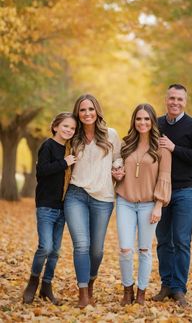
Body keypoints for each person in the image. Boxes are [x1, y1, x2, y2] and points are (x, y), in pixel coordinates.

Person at [153, 84, 192, 306]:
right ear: (166, 99)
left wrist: (175, 148)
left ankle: (179, 288)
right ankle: (166, 284)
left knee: (182, 241)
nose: (175, 102)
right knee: (163, 240)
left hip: (184, 190)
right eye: (172, 98)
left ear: (185, 101)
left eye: (180, 99)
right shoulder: (155, 123)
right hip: (159, 191)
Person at [64, 94, 121, 308]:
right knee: (81, 245)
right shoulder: (73, 137)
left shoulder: (111, 134)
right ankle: (82, 295)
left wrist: (117, 169)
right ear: (77, 114)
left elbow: (118, 157)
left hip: (103, 198)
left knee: (96, 250)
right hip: (76, 195)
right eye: (82, 110)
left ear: (97, 111)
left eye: (90, 109)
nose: (87, 113)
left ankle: (90, 284)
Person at [114, 104, 171, 306]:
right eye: (139, 119)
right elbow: (117, 169)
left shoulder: (162, 147)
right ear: (134, 121)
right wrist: (116, 174)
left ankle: (141, 292)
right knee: (125, 249)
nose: (143, 123)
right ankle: (127, 289)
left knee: (145, 250)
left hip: (149, 205)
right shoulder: (126, 144)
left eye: (147, 119)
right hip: (125, 202)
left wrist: (158, 205)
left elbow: (164, 177)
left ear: (153, 122)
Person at [23, 112, 77, 305]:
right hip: (46, 205)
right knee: (45, 247)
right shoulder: (48, 145)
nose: (68, 130)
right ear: (55, 126)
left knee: (55, 251)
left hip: (63, 207)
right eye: (65, 126)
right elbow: (41, 171)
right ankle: (32, 282)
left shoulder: (70, 149)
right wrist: (64, 163)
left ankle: (46, 286)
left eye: (72, 128)